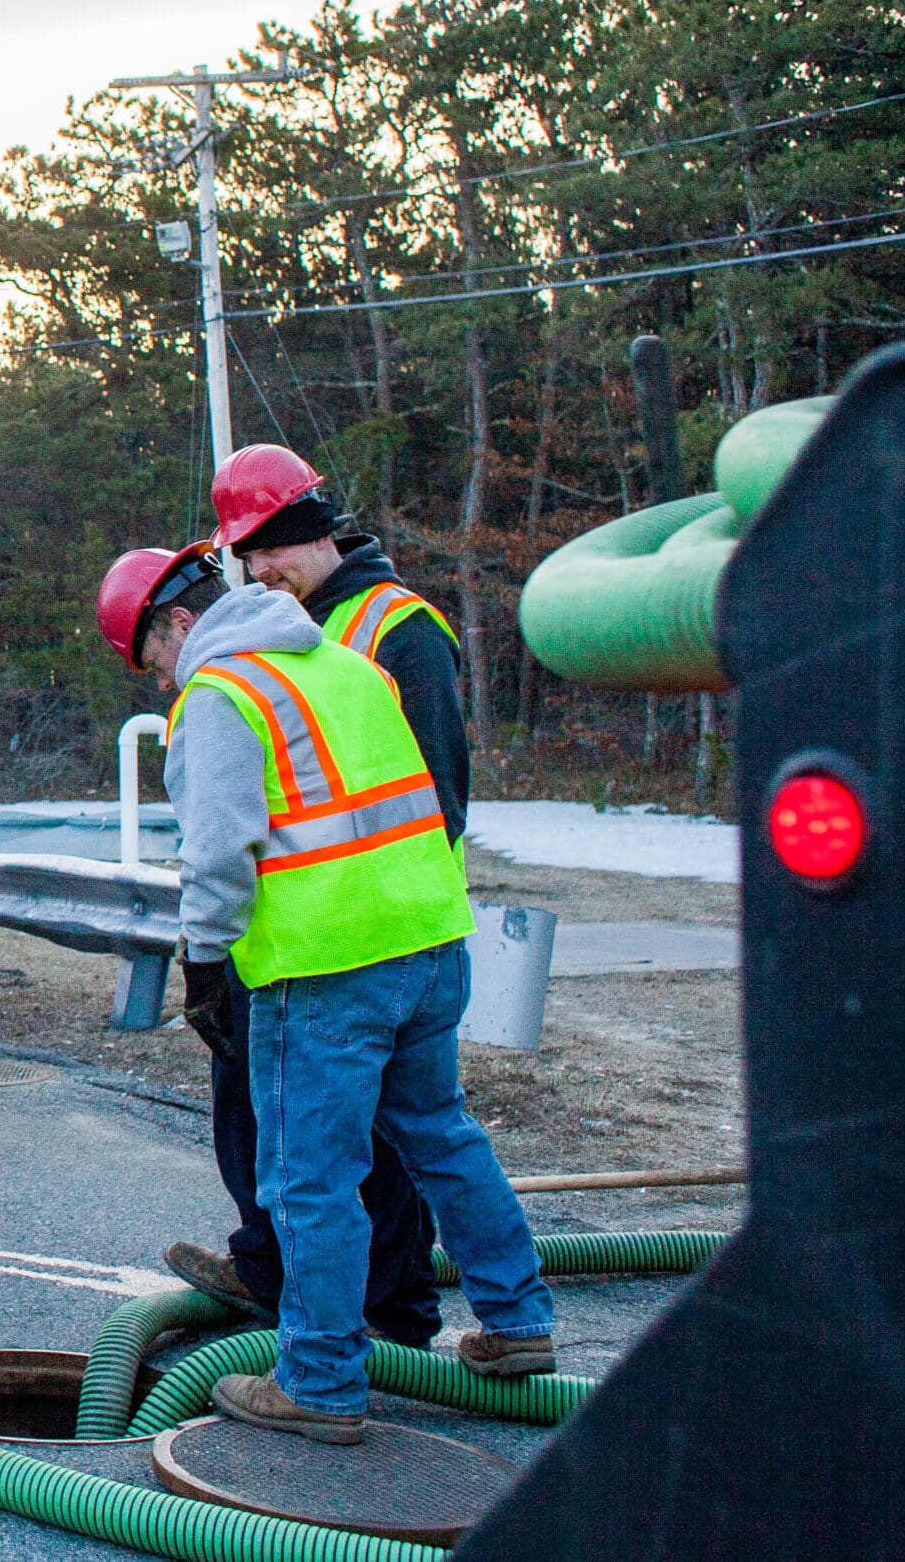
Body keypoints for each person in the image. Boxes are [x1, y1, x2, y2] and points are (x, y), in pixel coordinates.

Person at [95, 544, 553, 1443]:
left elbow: (218, 856)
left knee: (311, 1176)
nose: (162, 681)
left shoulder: (220, 695)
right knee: (441, 1135)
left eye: (153, 660)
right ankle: (517, 1320)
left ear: (180, 622)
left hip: (327, 967)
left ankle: (318, 1380)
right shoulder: (345, 665)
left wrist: (205, 964)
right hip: (429, 941)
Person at [161, 445, 471, 1350]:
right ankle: (280, 1277)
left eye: (269, 549)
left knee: (379, 1139)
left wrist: (379, 921)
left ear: (316, 530)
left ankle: (386, 1319)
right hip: (295, 927)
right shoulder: (291, 624)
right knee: (276, 1120)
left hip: (368, 934)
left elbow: (439, 798)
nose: (259, 570)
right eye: (247, 556)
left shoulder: (394, 627)